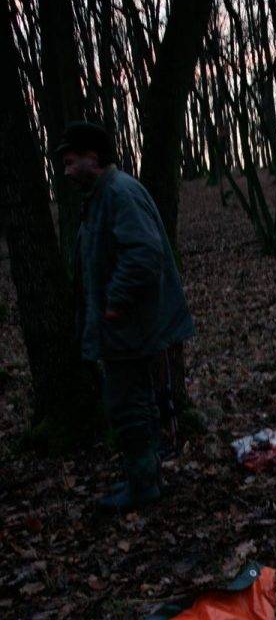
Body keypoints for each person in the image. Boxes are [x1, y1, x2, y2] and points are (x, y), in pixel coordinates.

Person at [54, 121, 194, 509]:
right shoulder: (103, 195)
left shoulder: (118, 193)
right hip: (125, 326)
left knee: (127, 405)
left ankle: (143, 486)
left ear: (93, 159)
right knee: (131, 403)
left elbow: (143, 253)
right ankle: (145, 479)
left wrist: (114, 303)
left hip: (130, 326)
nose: (65, 172)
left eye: (71, 162)